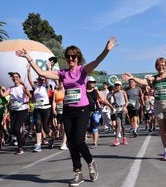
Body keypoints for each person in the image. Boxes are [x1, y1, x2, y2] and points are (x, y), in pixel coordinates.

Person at [15, 36, 117, 186]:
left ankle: (90, 162)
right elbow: (42, 73)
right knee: (71, 142)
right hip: (68, 111)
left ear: (78, 58)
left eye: (73, 56)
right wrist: (28, 57)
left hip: (82, 110)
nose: (71, 59)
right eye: (68, 56)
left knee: (78, 141)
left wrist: (106, 50)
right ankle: (78, 172)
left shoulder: (83, 71)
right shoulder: (63, 73)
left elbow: (96, 61)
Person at [123, 45, 166, 161]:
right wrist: (133, 77)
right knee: (163, 131)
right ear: (156, 67)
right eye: (159, 66)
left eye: (163, 65)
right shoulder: (153, 79)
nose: (161, 67)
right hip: (158, 105)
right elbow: (143, 82)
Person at [0, 72, 32, 154]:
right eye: (13, 77)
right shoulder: (11, 88)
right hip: (14, 110)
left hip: (23, 110)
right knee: (12, 130)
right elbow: (3, 95)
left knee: (17, 128)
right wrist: (0, 88)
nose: (15, 78)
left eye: (17, 77)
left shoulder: (22, 87)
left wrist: (25, 86)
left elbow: (30, 96)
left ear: (19, 78)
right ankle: (23, 135)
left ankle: (20, 148)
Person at [26, 64, 52, 152]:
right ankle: (38, 145)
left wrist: (49, 68)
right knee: (37, 125)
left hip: (46, 108)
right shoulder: (35, 87)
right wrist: (28, 70)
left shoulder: (46, 86)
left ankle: (51, 136)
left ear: (44, 80)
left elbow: (48, 78)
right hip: (37, 108)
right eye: (39, 79)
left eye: (42, 79)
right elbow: (29, 80)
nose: (40, 80)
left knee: (45, 127)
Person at [86, 76, 114, 149]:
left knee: (95, 125)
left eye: (94, 82)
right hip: (86, 111)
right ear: (88, 83)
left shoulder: (96, 91)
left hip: (96, 111)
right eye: (91, 82)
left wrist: (110, 106)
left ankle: (94, 143)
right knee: (87, 127)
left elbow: (103, 99)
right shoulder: (84, 90)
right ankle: (91, 134)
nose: (93, 83)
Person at [52, 81, 68, 150]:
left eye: (61, 83)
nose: (60, 84)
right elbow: (54, 101)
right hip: (58, 110)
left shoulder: (66, 91)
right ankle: (66, 138)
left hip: (66, 110)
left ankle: (64, 143)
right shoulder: (55, 91)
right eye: (59, 83)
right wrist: (54, 109)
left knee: (65, 126)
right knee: (59, 127)